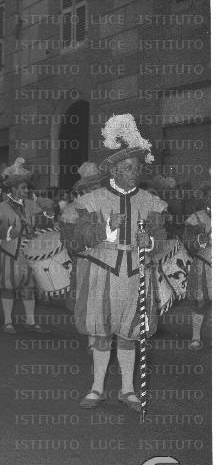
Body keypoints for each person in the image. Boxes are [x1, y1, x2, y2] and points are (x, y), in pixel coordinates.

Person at [60, 114, 168, 412]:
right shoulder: (91, 200)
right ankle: (96, 389)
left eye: (138, 168)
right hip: (102, 272)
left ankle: (128, 390)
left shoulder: (150, 201)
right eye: (130, 168)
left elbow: (160, 236)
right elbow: (75, 239)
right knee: (101, 332)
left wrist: (151, 243)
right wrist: (108, 227)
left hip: (135, 273)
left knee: (129, 333)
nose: (136, 172)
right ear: (115, 171)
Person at [0, 158, 52, 334]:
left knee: (29, 288)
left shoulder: (32, 204)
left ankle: (31, 322)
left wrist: (49, 216)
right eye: (23, 188)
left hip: (30, 253)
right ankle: (7, 322)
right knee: (8, 288)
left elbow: (41, 223)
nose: (26, 190)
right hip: (10, 253)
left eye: (26, 188)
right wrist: (9, 232)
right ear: (13, 189)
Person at [61, 161, 105, 353]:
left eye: (99, 185)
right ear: (86, 189)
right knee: (89, 299)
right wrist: (85, 244)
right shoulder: (74, 211)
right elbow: (70, 242)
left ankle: (107, 337)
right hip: (87, 260)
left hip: (111, 259)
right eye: (93, 186)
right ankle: (92, 340)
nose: (98, 190)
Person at [183, 192, 211, 350]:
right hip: (204, 263)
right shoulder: (195, 219)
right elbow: (187, 242)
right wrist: (199, 240)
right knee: (201, 301)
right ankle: (196, 337)